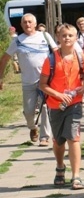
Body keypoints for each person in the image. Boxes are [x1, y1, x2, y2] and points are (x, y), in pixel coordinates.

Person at [38, 23, 84, 190]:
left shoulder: (82, 57)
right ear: (58, 38)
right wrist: (58, 95)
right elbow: (42, 84)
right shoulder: (51, 59)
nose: (67, 38)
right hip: (56, 105)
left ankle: (76, 176)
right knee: (59, 141)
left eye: (70, 35)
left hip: (74, 104)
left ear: (76, 38)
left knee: (73, 138)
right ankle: (60, 167)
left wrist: (83, 88)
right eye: (64, 35)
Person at [0, 13, 57, 145]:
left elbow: (56, 52)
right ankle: (33, 127)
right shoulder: (18, 41)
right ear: (21, 25)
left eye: (30, 22)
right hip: (27, 81)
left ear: (35, 24)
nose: (27, 24)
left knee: (45, 107)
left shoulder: (44, 36)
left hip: (45, 80)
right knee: (28, 111)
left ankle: (44, 137)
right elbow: (4, 59)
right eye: (25, 22)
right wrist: (0, 78)